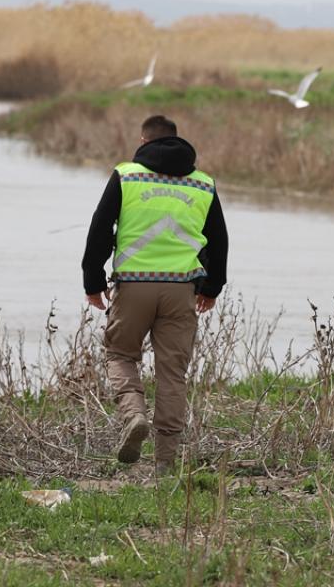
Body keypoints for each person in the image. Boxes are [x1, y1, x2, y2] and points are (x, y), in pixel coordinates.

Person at [81, 114, 229, 476]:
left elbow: (100, 227)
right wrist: (212, 287)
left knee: (119, 354)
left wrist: (92, 280)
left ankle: (134, 415)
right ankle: (164, 463)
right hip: (181, 291)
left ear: (143, 142)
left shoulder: (127, 175)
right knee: (172, 374)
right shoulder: (203, 184)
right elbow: (219, 240)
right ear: (178, 141)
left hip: (134, 286)